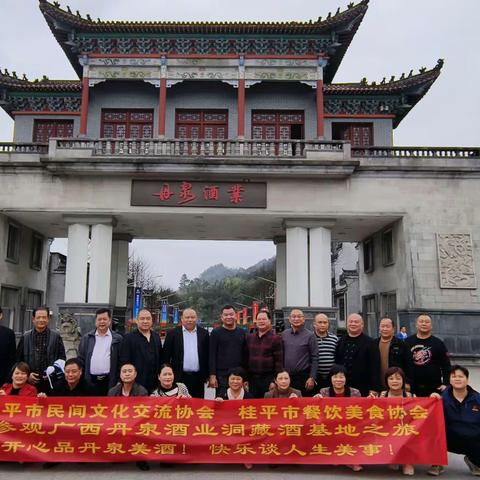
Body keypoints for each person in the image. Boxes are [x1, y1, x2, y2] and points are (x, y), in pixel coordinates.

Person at [428, 365, 480, 477]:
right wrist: (432, 400)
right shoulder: (440, 398)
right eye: (454, 376)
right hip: (449, 438)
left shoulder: (477, 399)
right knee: (432, 432)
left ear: (467, 379)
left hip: (472, 438)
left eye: (461, 376)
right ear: (449, 380)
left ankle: (474, 461)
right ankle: (437, 463)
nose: (457, 379)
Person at [16, 306, 66, 393]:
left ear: (48, 319)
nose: (41, 320)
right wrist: (27, 375)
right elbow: (18, 360)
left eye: (44, 317)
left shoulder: (56, 336)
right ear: (33, 319)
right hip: (29, 382)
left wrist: (53, 372)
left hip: (51, 382)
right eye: (38, 317)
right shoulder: (25, 337)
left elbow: (62, 359)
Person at [163, 307, 209, 398]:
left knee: (197, 405)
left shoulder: (204, 333)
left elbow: (208, 355)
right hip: (179, 377)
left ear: (196, 318)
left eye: (192, 317)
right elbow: (166, 356)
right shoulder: (173, 333)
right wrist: (166, 374)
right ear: (182, 319)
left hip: (198, 377)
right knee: (179, 405)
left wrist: (208, 375)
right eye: (187, 317)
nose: (190, 320)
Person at [78, 308, 123, 395]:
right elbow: (81, 359)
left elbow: (121, 361)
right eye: (99, 319)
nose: (102, 322)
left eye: (104, 319)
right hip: (90, 380)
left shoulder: (117, 339)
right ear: (95, 321)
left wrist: (118, 380)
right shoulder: (87, 338)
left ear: (109, 321)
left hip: (110, 381)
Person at [404, 314, 450, 396]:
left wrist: (446, 383)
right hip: (411, 387)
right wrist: (405, 382)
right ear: (416, 324)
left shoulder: (438, 343)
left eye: (427, 322)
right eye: (421, 321)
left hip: (434, 387)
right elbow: (402, 364)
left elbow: (446, 365)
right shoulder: (407, 342)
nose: (424, 324)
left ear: (431, 325)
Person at [335, 313, 380, 396]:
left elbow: (375, 367)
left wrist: (374, 388)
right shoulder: (340, 341)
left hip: (363, 386)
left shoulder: (370, 343)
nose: (353, 324)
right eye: (350, 322)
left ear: (362, 325)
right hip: (342, 385)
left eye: (356, 322)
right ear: (347, 324)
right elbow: (336, 362)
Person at [380, 367, 415, 476]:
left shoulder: (410, 396)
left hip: (405, 429)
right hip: (387, 429)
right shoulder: (381, 395)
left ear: (403, 381)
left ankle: (407, 463)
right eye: (391, 378)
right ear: (386, 381)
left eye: (398, 378)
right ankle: (393, 458)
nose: (394, 381)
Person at [119, 308, 162, 393]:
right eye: (142, 319)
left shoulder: (156, 337)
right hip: (136, 385)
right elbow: (124, 362)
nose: (145, 321)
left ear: (152, 321)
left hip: (155, 385)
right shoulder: (128, 338)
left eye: (148, 318)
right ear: (137, 321)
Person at [209, 305, 247, 398]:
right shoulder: (216, 333)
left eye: (231, 314)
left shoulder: (241, 332)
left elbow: (245, 354)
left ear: (236, 316)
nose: (229, 317)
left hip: (238, 374)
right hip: (221, 374)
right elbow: (212, 355)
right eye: (226, 315)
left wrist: (246, 377)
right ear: (221, 317)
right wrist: (212, 375)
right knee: (221, 402)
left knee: (238, 401)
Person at [246, 310, 283, 398]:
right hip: (252, 379)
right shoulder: (249, 337)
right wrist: (245, 378)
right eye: (259, 319)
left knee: (266, 406)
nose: (261, 321)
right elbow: (246, 358)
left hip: (268, 378)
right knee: (253, 406)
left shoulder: (276, 339)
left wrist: (274, 381)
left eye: (264, 319)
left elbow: (279, 362)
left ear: (269, 321)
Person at [281, 309, 317, 396]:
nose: (296, 319)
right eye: (293, 316)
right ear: (289, 319)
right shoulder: (284, 334)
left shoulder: (310, 335)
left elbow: (315, 358)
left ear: (303, 319)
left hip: (303, 377)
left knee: (302, 404)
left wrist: (312, 377)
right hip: (286, 377)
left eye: (299, 316)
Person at [376, 317, 413, 390]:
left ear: (393, 329)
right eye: (382, 326)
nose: (385, 329)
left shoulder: (402, 345)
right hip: (378, 386)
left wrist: (407, 382)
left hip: (397, 385)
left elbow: (409, 365)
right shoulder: (373, 344)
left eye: (387, 326)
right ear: (379, 328)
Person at [313, 313, 338, 390]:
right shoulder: (309, 338)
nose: (323, 325)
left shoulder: (334, 339)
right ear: (314, 324)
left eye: (325, 322)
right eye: (320, 322)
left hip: (332, 378)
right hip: (315, 378)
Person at [0, 307, 16, 386]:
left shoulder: (8, 334)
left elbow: (12, 360)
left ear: (1, 315)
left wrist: (8, 381)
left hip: (2, 380)